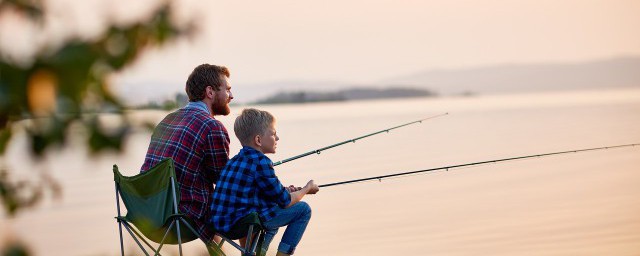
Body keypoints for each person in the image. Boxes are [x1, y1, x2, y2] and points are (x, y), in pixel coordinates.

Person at [140, 63, 234, 242]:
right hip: (179, 221)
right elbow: (225, 183)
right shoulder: (212, 126)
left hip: (147, 215)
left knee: (213, 201)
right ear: (210, 92)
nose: (231, 96)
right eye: (228, 90)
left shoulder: (167, 120)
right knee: (249, 208)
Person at [210, 108, 319, 256]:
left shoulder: (234, 161)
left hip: (220, 224)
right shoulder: (262, 162)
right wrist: (306, 188)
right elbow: (285, 201)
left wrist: (285, 189)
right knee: (303, 210)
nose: (277, 138)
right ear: (258, 140)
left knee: (271, 205)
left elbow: (259, 190)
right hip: (241, 225)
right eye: (273, 134)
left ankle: (258, 252)